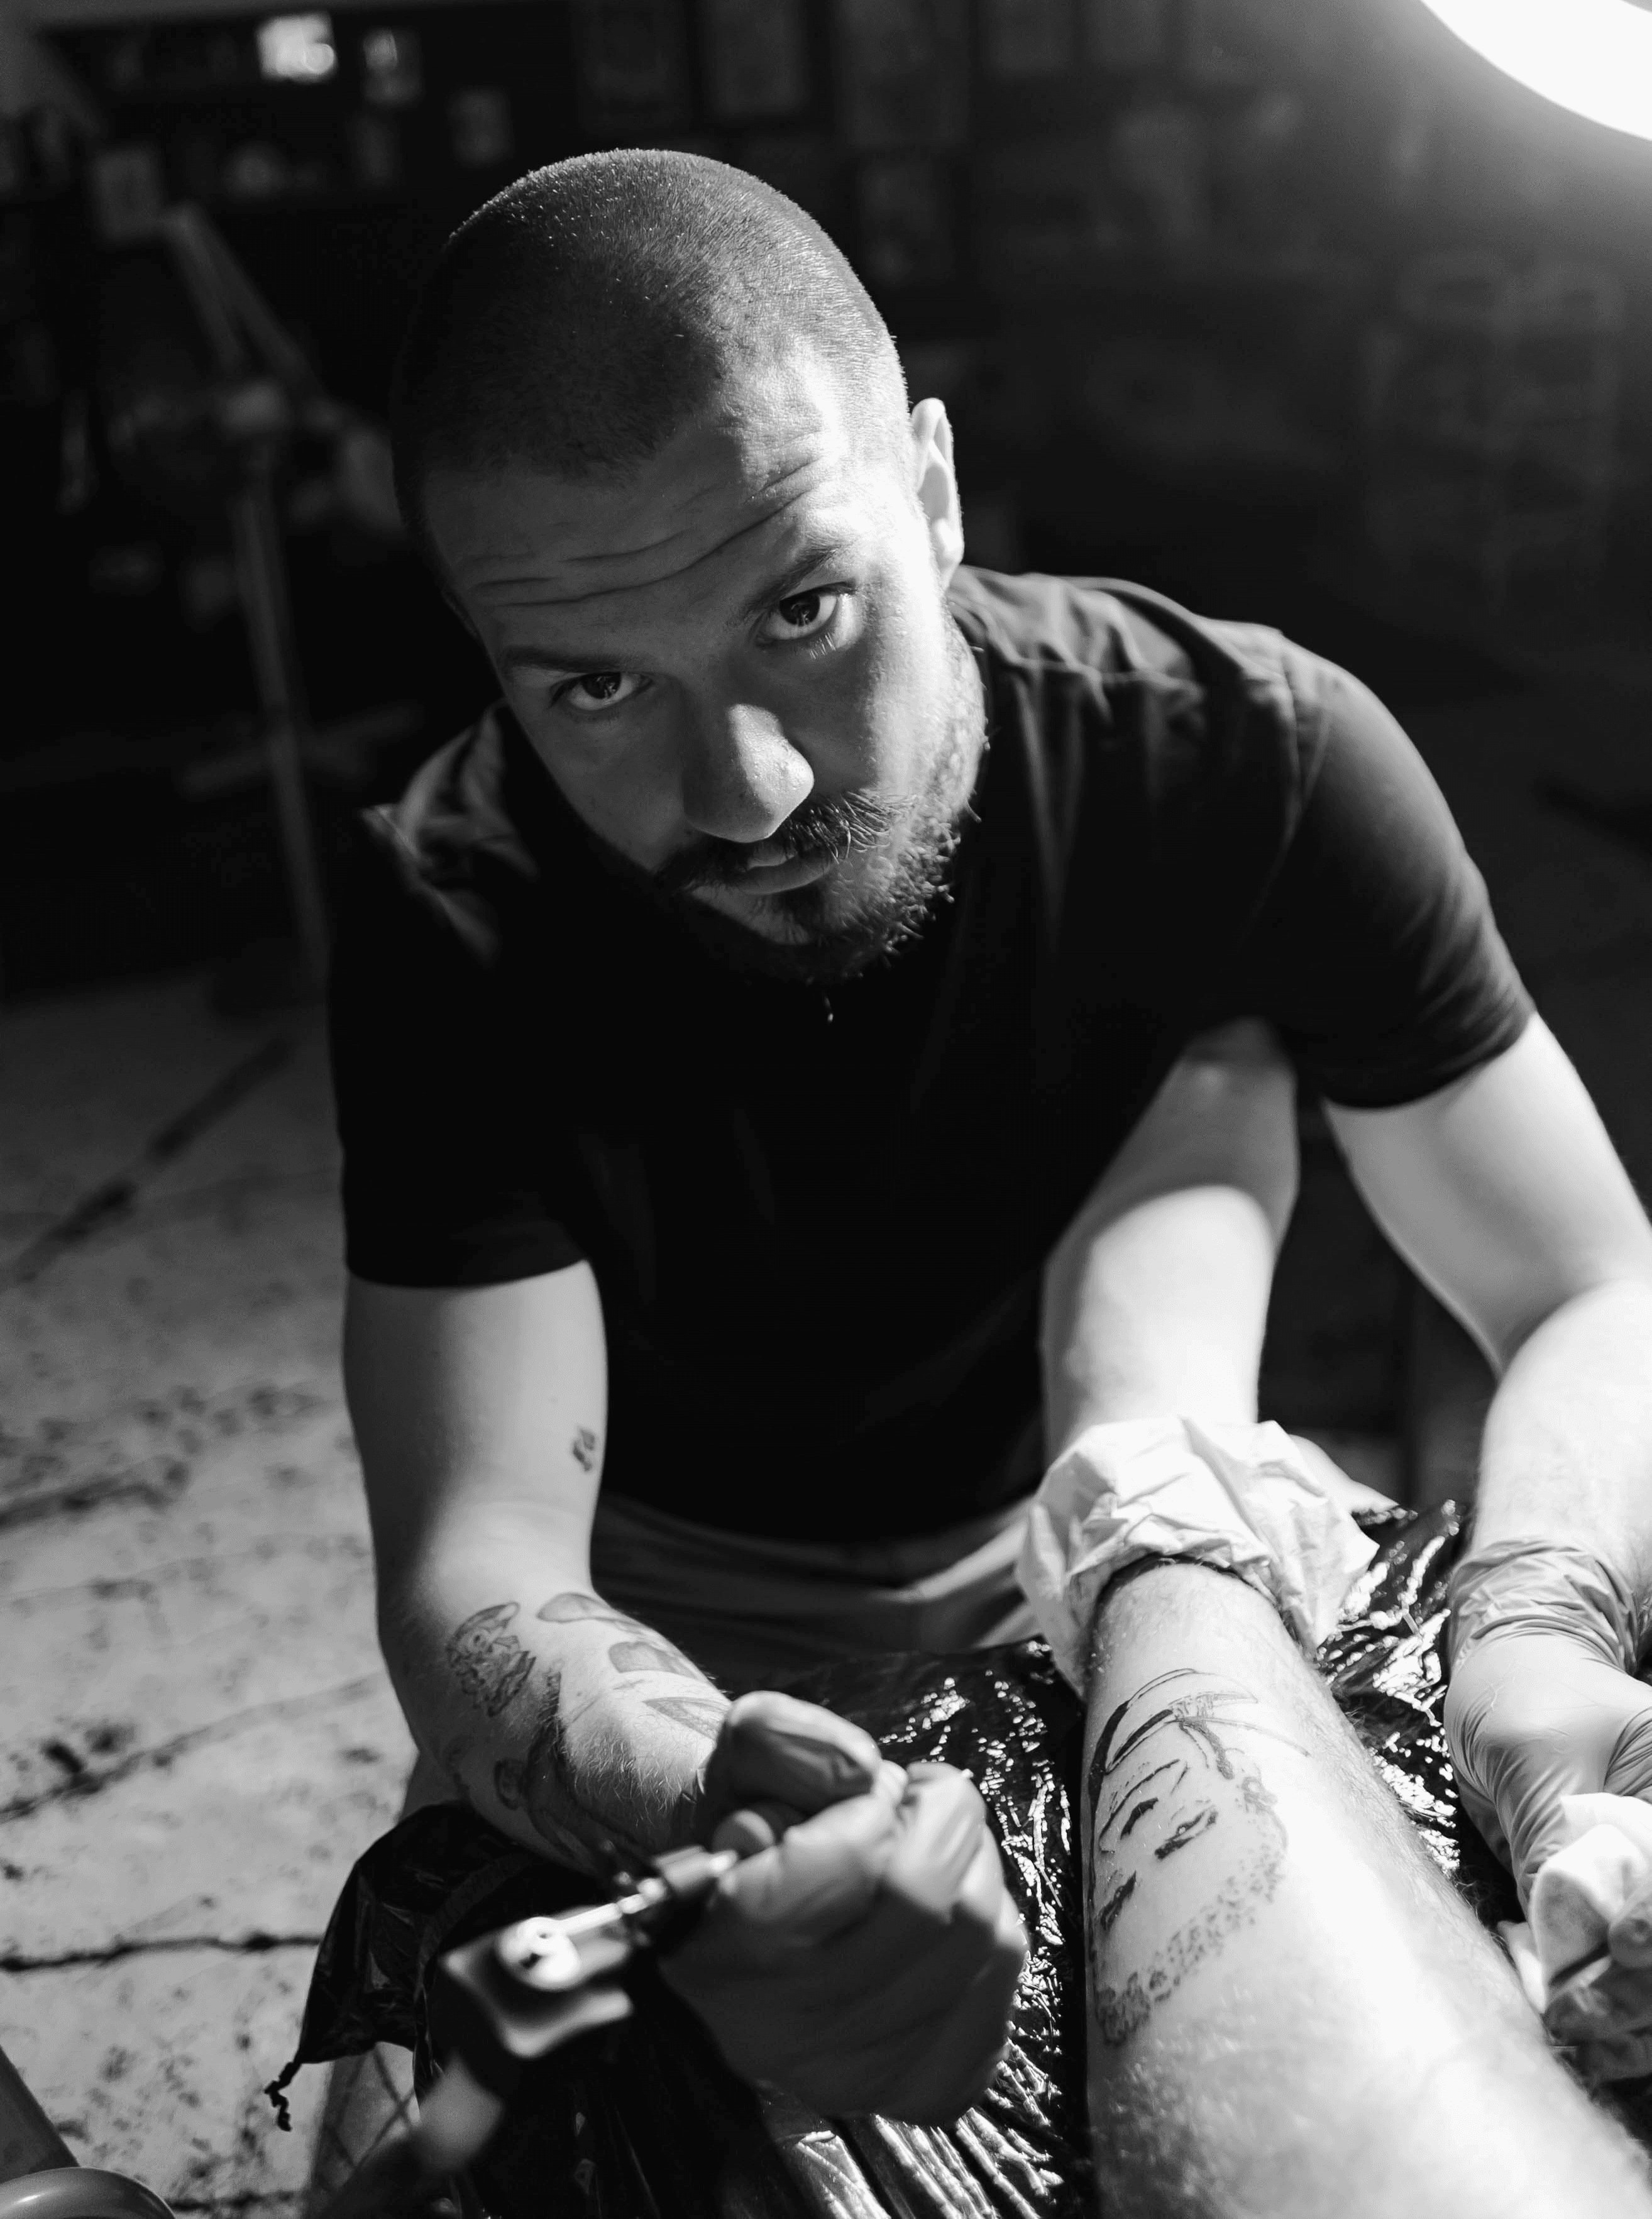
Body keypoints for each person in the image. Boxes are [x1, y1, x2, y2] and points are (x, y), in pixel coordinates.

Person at [328, 146, 1652, 2193]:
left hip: (1124, 1511)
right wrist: (705, 1791)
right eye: (595, 684)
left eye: (802, 610)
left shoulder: (1250, 759)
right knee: (463, 2147)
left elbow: (1584, 1279)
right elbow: (478, 1562)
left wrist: (1540, 1638)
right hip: (670, 1597)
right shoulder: (452, 910)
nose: (744, 789)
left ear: (933, 491)